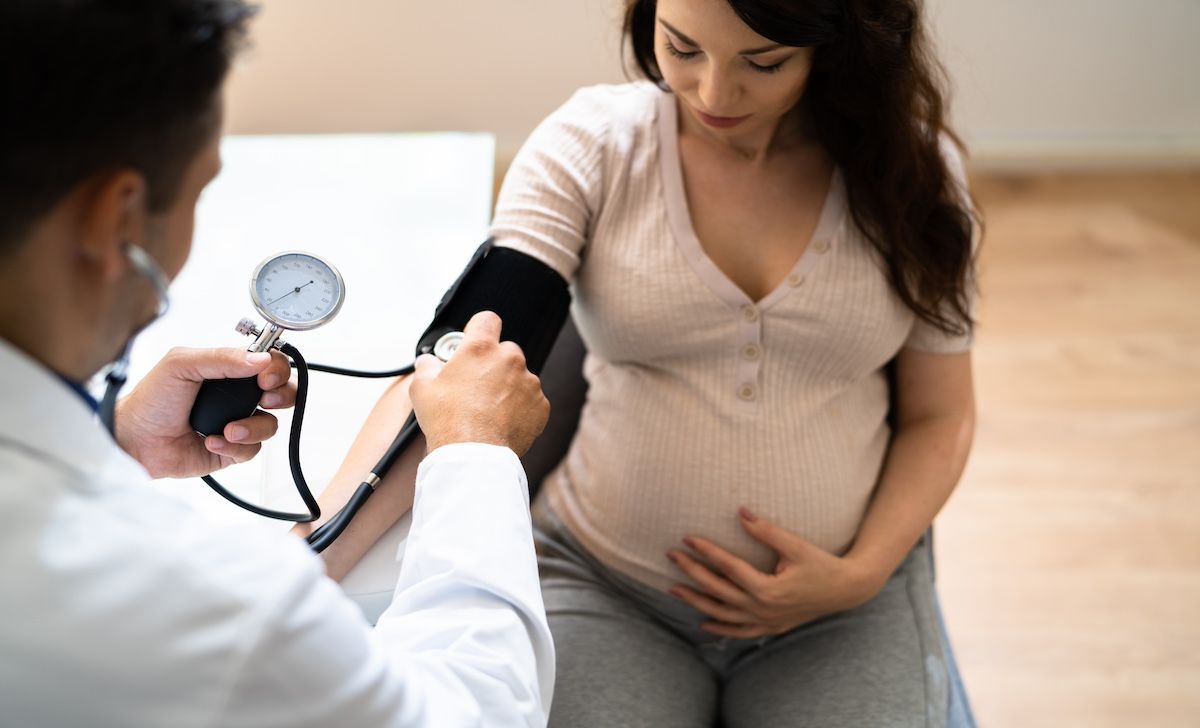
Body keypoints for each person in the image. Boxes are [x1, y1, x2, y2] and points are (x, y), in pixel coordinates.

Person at [0, 2, 555, 726]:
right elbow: (476, 712)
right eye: (203, 189)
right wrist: (476, 456)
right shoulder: (219, 614)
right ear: (119, 221)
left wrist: (116, 442)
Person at [488, 0, 980, 725]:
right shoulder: (591, 143)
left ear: (835, 44)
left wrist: (859, 574)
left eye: (764, 62)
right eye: (682, 48)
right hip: (603, 582)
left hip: (839, 609)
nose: (715, 94)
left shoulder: (916, 174)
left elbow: (943, 413)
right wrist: (320, 550)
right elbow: (470, 349)